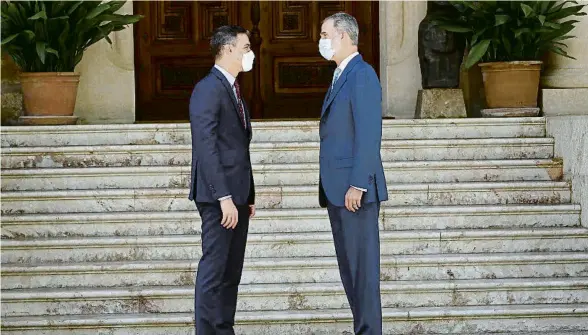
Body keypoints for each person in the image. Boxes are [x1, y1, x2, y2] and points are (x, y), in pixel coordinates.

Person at [317, 12, 388, 335]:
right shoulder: (341, 74)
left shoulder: (361, 74)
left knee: (363, 273)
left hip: (354, 190)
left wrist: (358, 183)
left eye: (324, 34)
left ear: (343, 36)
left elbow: (369, 133)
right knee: (351, 272)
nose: (321, 41)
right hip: (337, 189)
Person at [188, 25, 256, 335]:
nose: (249, 53)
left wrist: (247, 195)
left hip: (237, 197)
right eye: (245, 47)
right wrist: (224, 198)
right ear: (227, 49)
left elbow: (238, 147)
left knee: (231, 273)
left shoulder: (233, 89)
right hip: (219, 199)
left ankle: (223, 329)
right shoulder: (208, 88)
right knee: (214, 271)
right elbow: (207, 147)